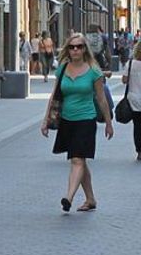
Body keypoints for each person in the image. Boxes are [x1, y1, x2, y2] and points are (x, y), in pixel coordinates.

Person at [40, 33, 114, 212]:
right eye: (72, 47)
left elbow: (101, 98)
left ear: (84, 49)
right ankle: (90, 199)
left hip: (86, 120)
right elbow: (54, 96)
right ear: (68, 49)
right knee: (80, 160)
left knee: (77, 160)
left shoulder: (93, 71)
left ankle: (69, 197)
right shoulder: (63, 69)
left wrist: (108, 122)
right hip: (67, 120)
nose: (75, 50)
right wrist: (45, 120)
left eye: (79, 46)